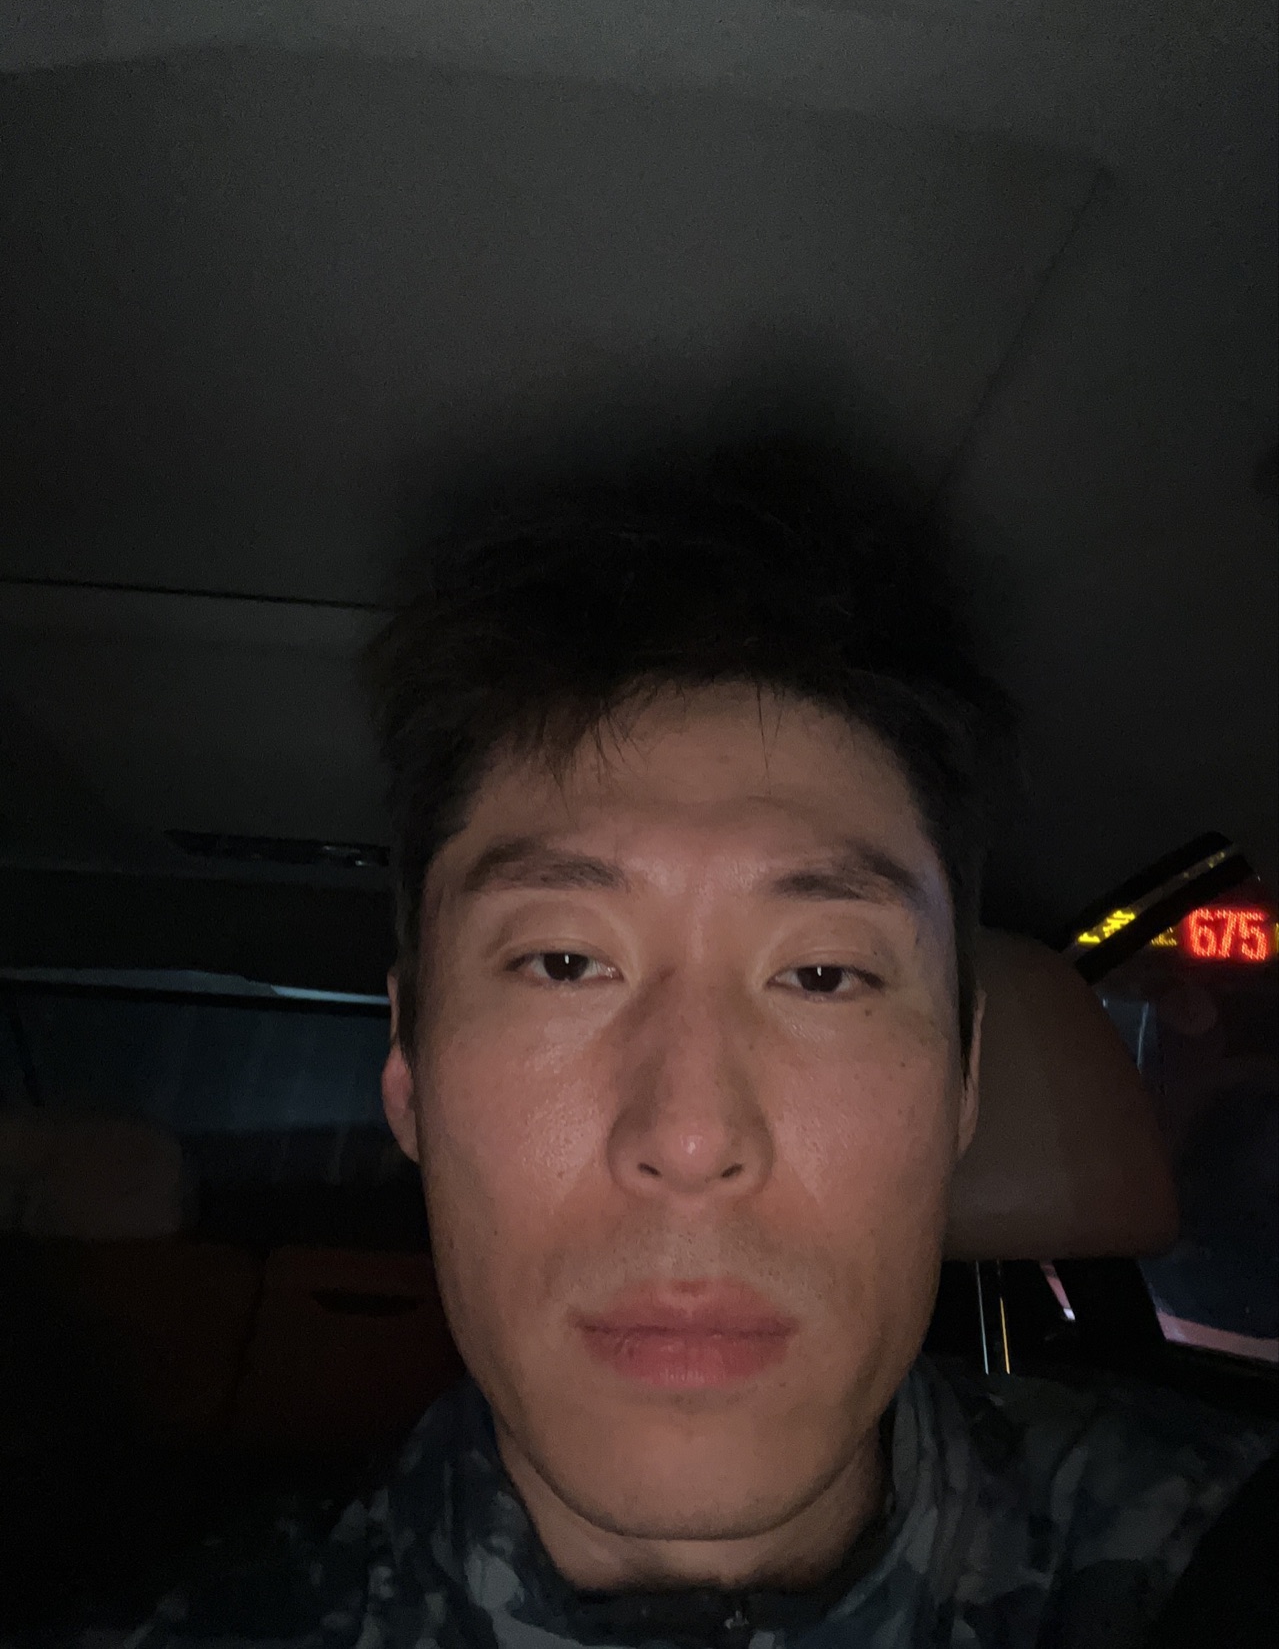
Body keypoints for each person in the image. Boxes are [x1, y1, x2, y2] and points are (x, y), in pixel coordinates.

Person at [129, 432, 1275, 1648]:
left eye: (822, 974)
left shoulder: (1203, 1551)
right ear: (409, 1070)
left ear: (962, 1082)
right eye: (563, 962)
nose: (688, 1136)